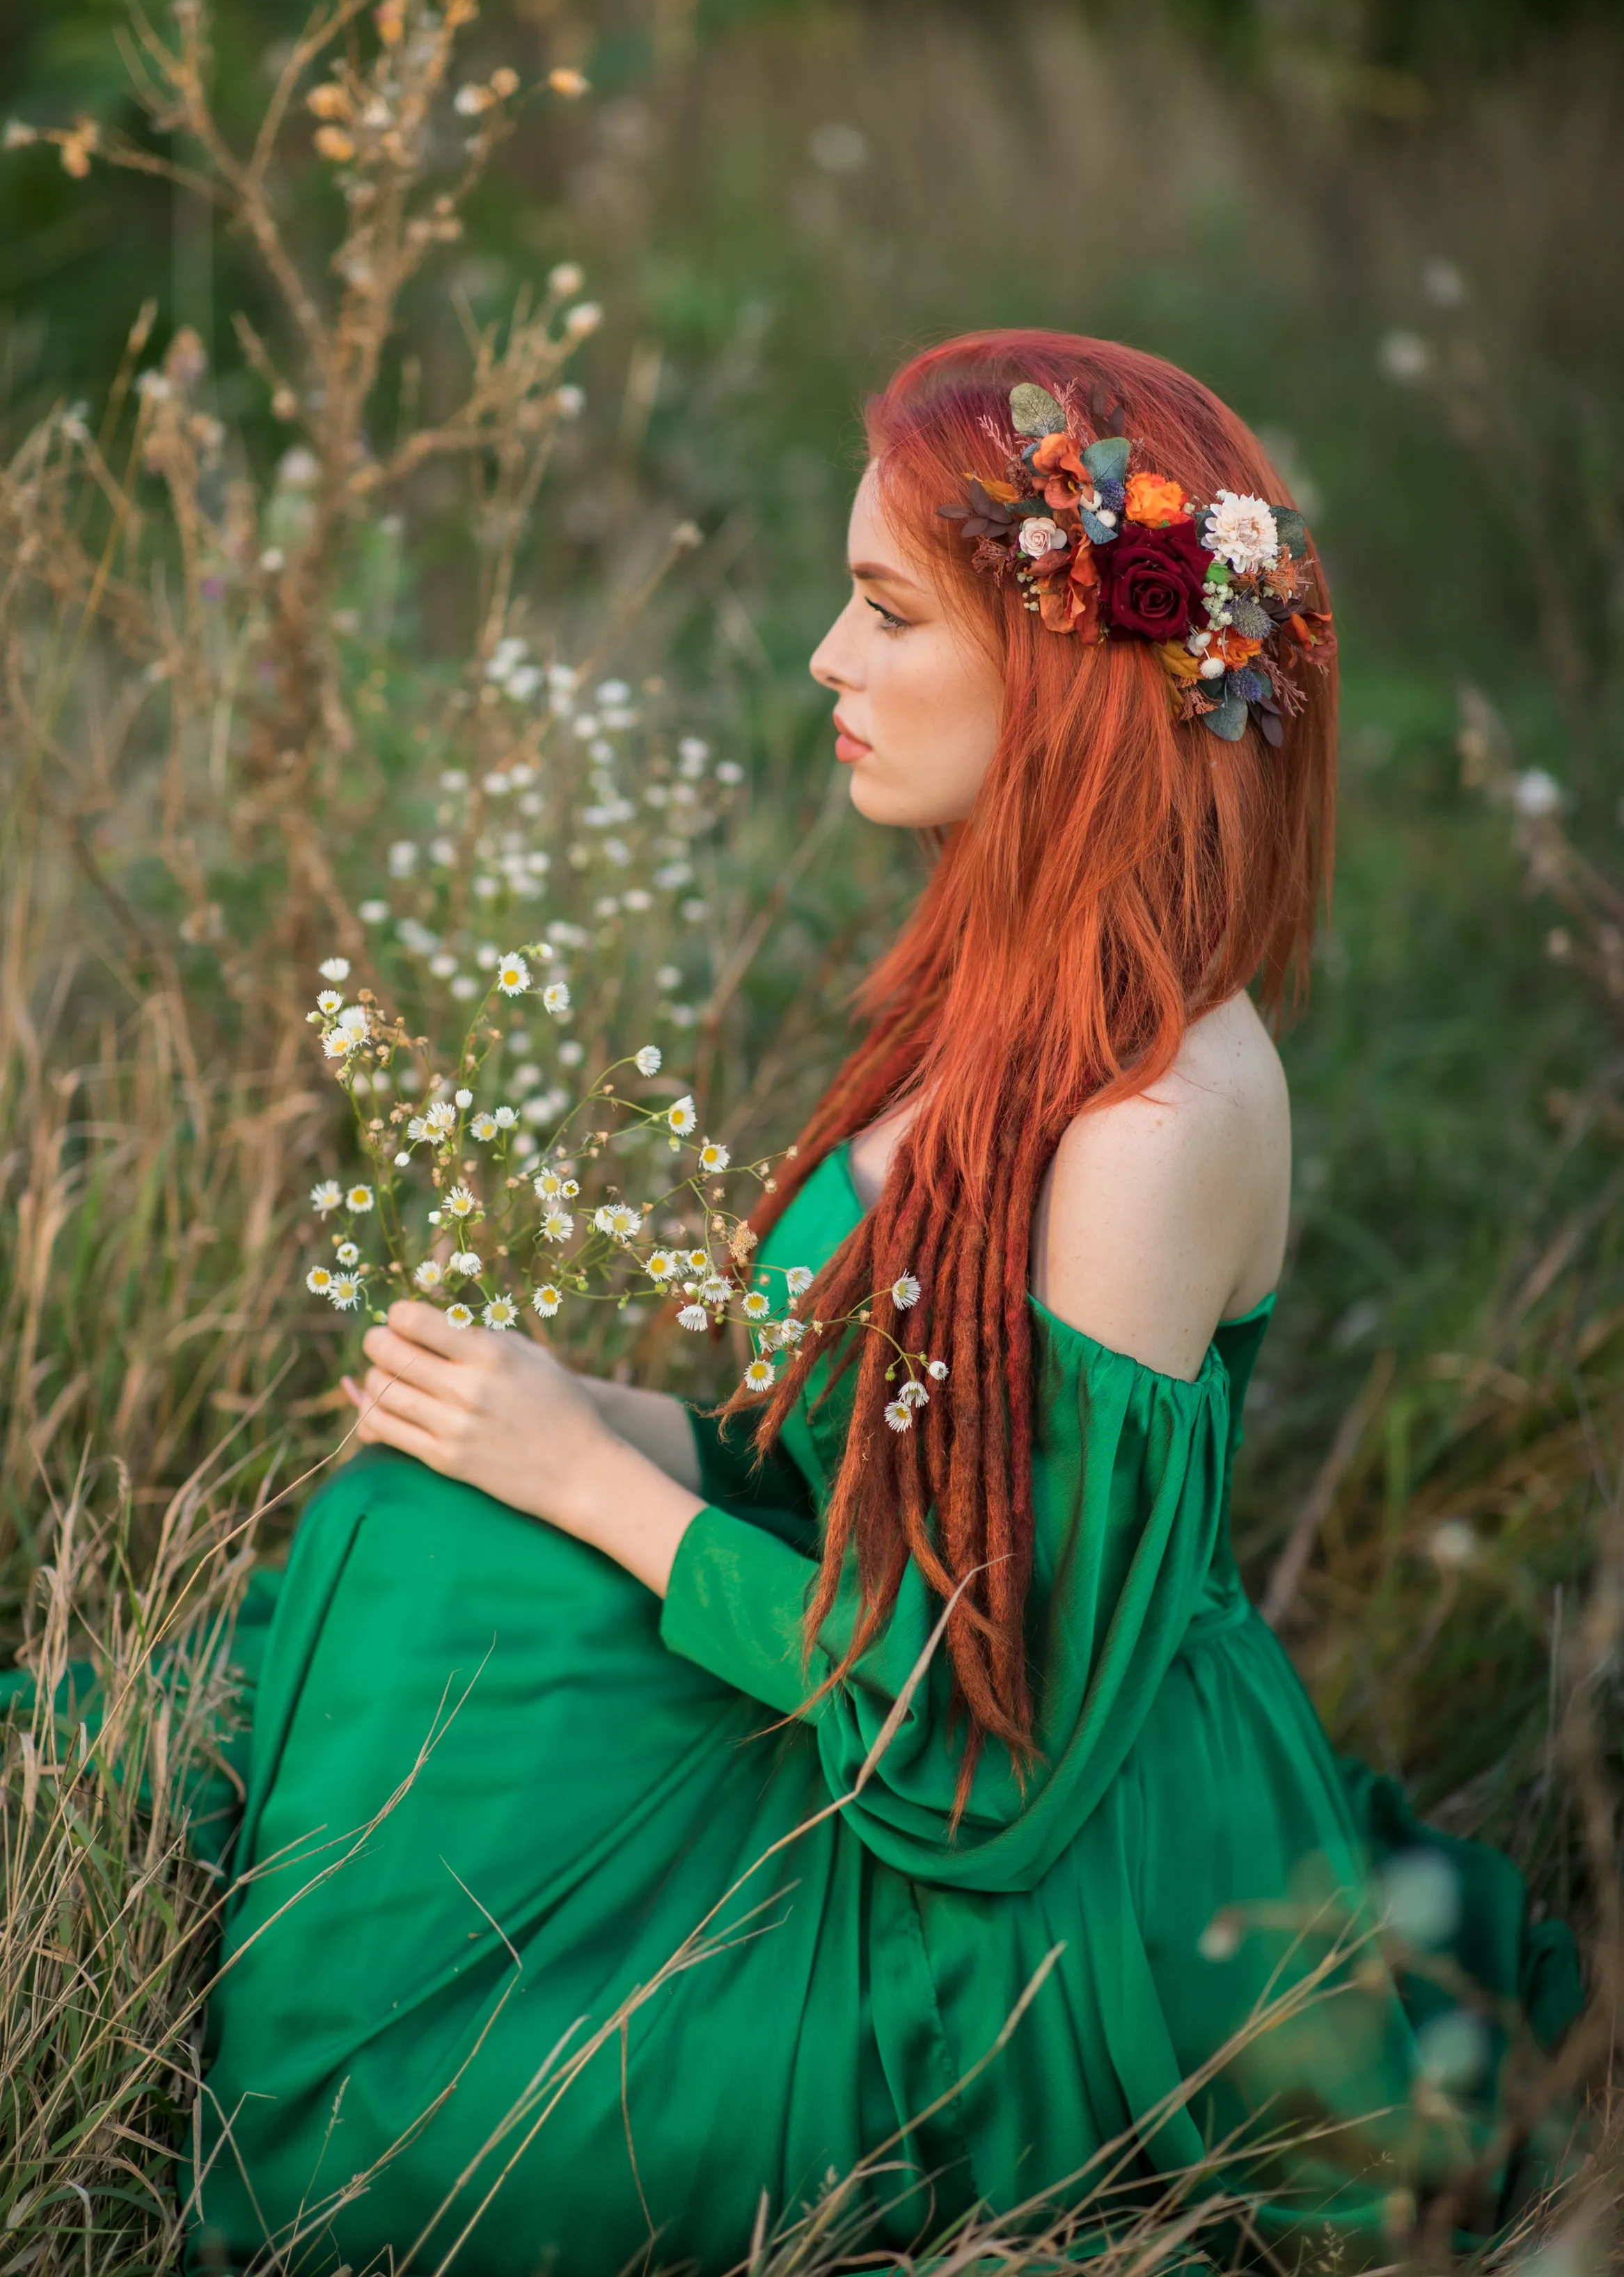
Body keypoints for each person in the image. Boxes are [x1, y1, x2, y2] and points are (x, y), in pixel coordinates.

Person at [189, 333, 1579, 2275]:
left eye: (881, 613)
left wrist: (596, 1485)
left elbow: (988, 1755)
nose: (826, 667)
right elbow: (870, 1452)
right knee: (417, 1523)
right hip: (887, 1691)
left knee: (438, 2093)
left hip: (1031, 1872)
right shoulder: (1001, 978)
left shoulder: (1154, 1125)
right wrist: (587, 1414)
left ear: (1064, 677)